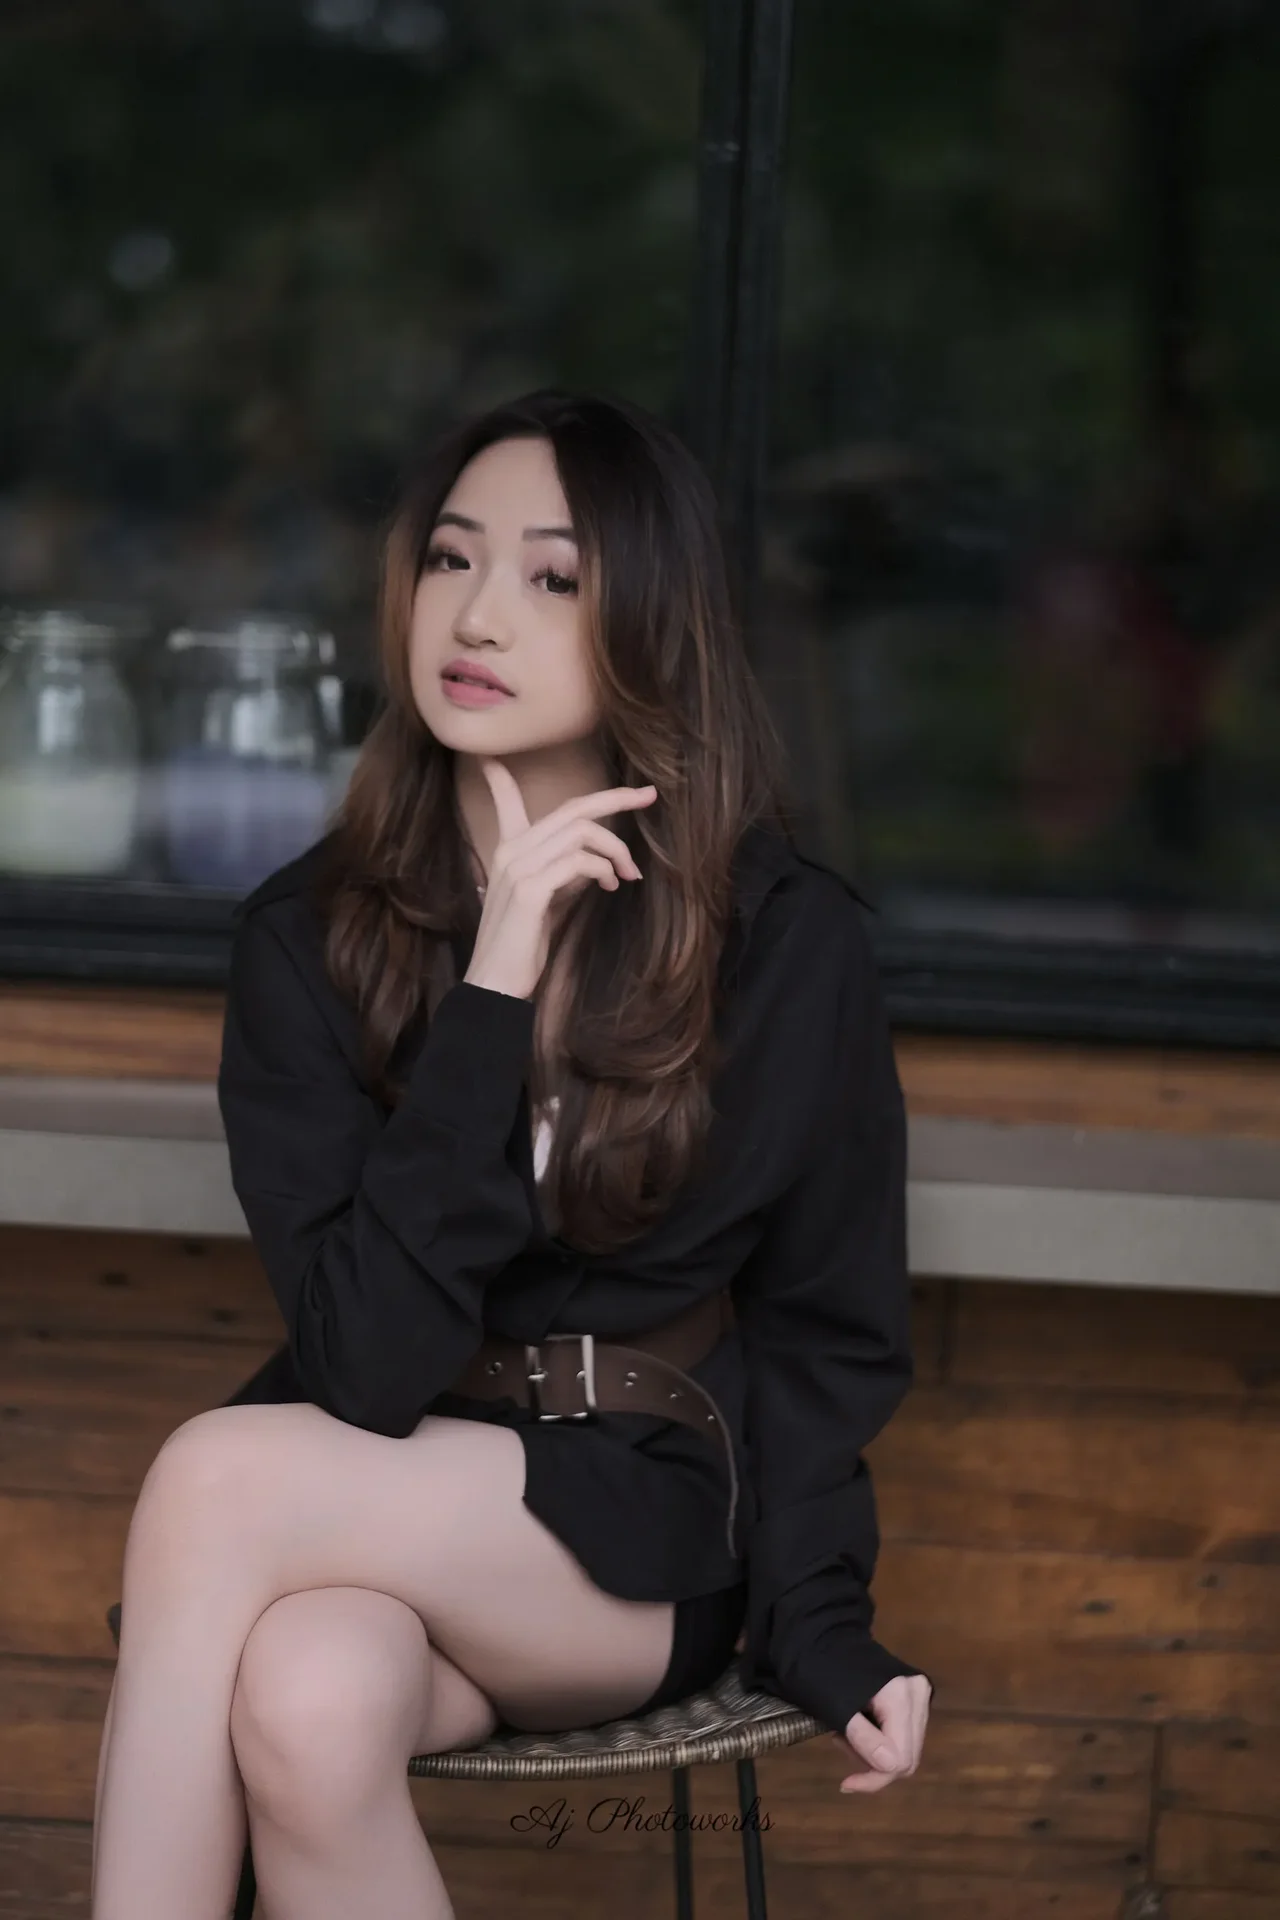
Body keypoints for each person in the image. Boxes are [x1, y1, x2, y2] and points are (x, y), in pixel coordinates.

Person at [90, 389, 933, 1920]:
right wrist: (493, 986)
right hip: (380, 1461)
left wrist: (821, 1623)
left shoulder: (779, 942)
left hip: (635, 1528)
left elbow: (829, 1321)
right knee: (306, 1695)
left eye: (553, 576)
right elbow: (364, 1370)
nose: (478, 614)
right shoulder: (307, 936)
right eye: (451, 558)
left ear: (650, 624)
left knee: (213, 1476)